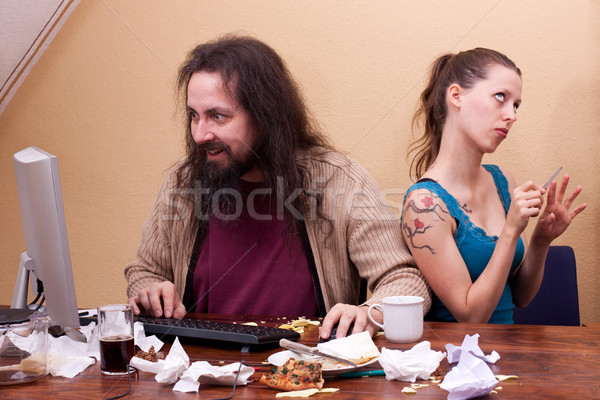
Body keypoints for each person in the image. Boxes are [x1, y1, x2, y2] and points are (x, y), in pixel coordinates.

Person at [125, 35, 431, 339]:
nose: (200, 134)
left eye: (218, 116)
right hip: (200, 372)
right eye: (194, 116)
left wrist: (370, 313)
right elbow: (143, 273)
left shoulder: (340, 180)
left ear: (264, 116)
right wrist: (151, 292)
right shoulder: (182, 183)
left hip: (308, 370)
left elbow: (404, 279)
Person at [401, 48, 586, 324]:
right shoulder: (424, 205)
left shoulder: (503, 181)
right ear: (456, 96)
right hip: (456, 360)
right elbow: (471, 316)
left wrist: (540, 240)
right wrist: (511, 229)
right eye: (501, 97)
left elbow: (520, 296)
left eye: (516, 105)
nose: (512, 115)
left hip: (506, 357)